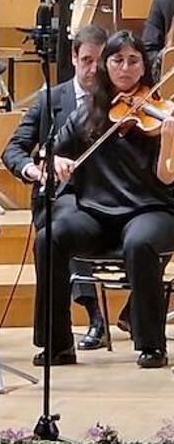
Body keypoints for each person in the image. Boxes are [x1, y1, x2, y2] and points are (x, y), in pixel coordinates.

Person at [36, 30, 174, 369]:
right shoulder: (87, 114)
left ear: (144, 67)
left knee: (140, 242)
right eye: (117, 60)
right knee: (49, 236)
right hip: (97, 215)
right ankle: (58, 344)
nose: (125, 68)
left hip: (150, 209)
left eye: (133, 60)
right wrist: (55, 161)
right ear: (105, 66)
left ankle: (151, 345)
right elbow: (49, 153)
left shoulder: (161, 113)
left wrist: (168, 139)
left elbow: (166, 177)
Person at [2, 25, 109, 350]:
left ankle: (131, 312)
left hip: (110, 195)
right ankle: (89, 315)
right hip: (62, 193)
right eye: (87, 60)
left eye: (100, 62)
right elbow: (14, 149)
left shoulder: (117, 100)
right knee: (64, 222)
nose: (93, 69)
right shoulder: (50, 100)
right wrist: (35, 169)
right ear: (74, 57)